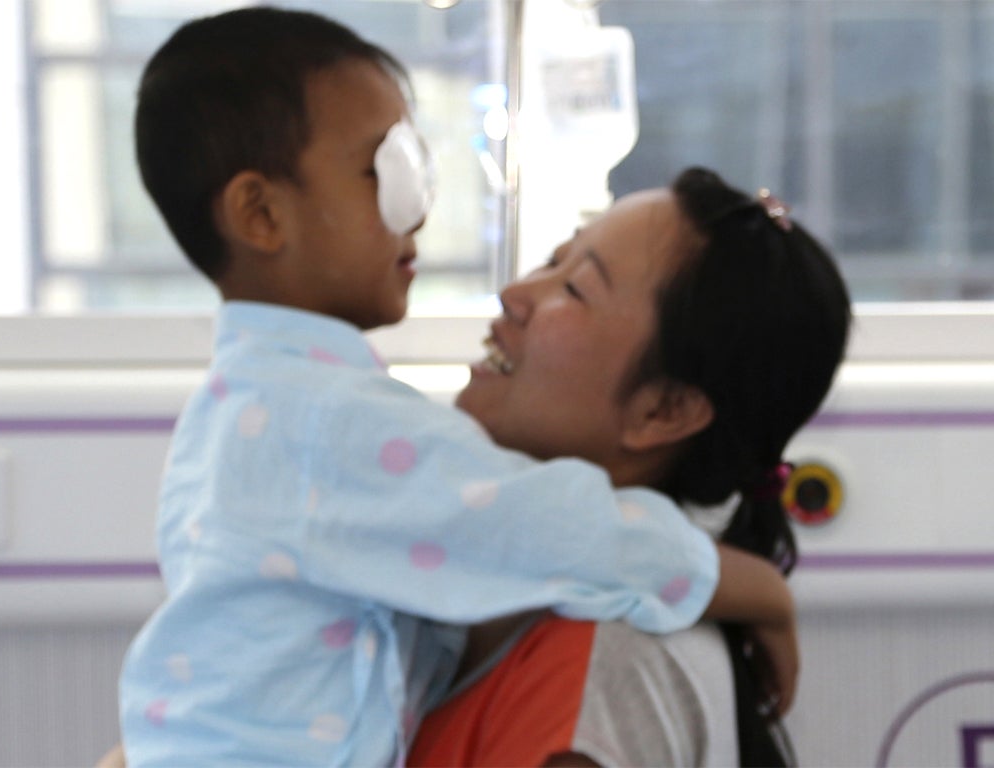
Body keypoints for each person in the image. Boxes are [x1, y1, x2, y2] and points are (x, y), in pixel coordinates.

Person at [117, 7, 797, 767]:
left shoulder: (259, 404)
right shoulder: (324, 423)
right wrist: (760, 591)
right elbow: (553, 527)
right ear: (262, 214)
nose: (419, 209)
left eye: (576, 287)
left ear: (667, 408)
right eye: (384, 172)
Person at [409, 168, 852, 767]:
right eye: (553, 261)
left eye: (575, 289)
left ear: (663, 411)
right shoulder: (511, 582)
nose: (515, 294)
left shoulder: (603, 666)